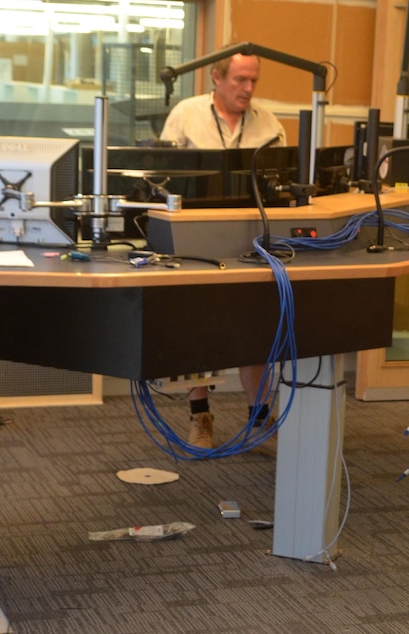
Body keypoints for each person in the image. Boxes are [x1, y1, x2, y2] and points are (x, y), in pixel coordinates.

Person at [160, 52, 286, 451]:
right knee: (199, 327)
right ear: (217, 77)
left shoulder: (269, 124)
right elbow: (157, 177)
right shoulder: (186, 114)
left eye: (254, 81)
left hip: (249, 239)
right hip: (195, 240)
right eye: (239, 80)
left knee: (254, 329)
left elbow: (284, 184)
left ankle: (260, 415)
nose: (248, 89)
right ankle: (201, 416)